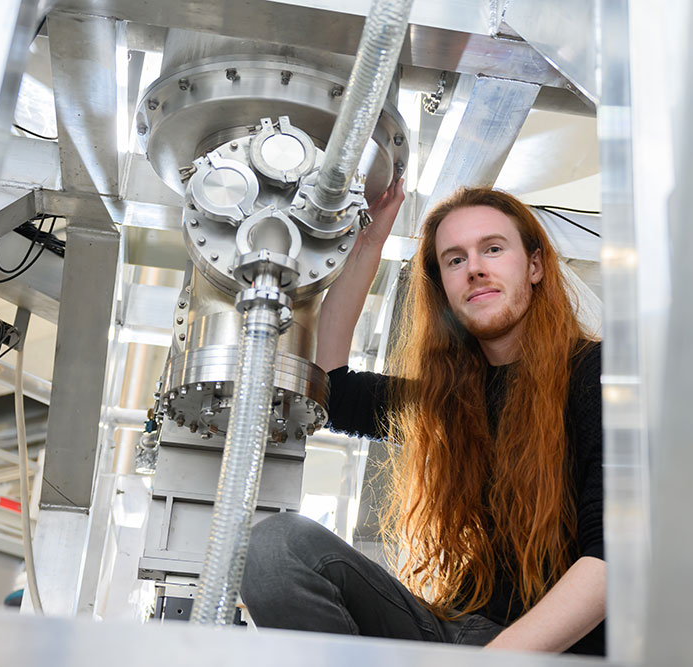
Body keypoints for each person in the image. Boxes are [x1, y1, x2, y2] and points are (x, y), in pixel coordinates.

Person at [241, 180, 605, 655]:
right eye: (455, 259)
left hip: (557, 653)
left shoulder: (600, 374)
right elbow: (333, 388)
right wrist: (369, 242)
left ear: (534, 265)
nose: (474, 268)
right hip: (459, 637)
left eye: (492, 249)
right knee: (275, 550)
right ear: (443, 288)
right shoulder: (450, 402)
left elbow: (612, 561)